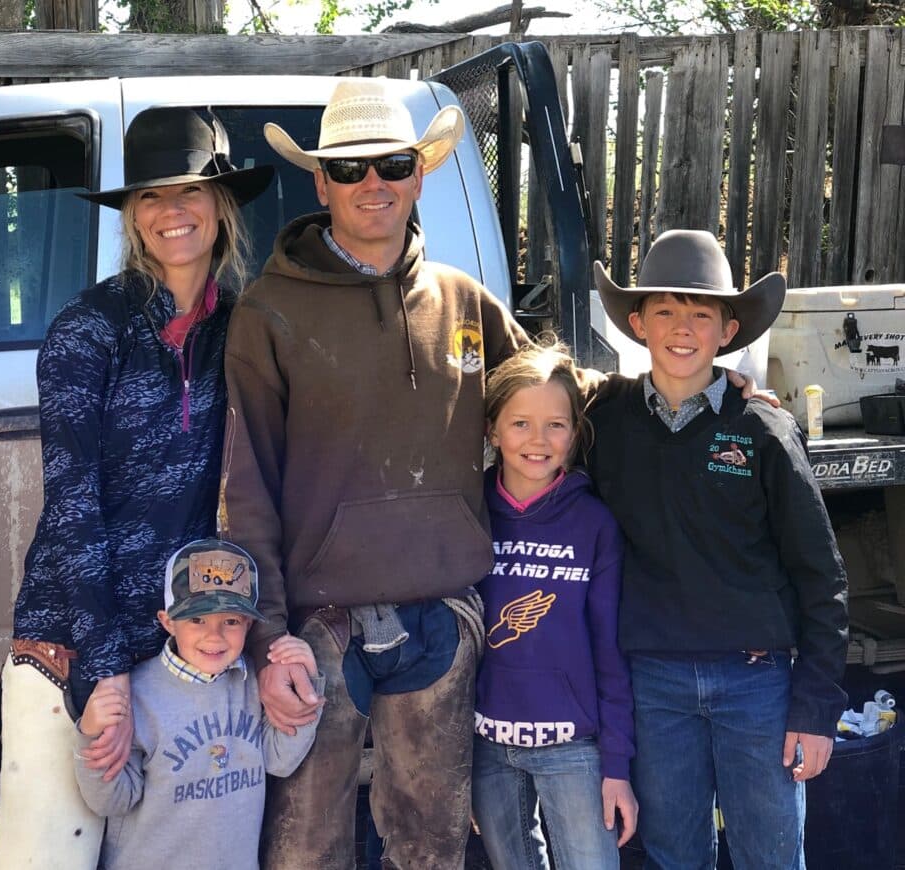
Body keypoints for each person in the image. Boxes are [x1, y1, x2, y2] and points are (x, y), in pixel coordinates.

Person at [219, 79, 531, 869]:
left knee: (429, 846)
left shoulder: (462, 299)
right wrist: (267, 638)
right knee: (304, 848)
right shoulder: (269, 312)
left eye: (391, 165)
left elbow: (546, 397)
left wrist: (696, 386)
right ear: (320, 183)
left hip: (441, 617)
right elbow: (246, 484)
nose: (373, 185)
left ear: (419, 173)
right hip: (318, 629)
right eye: (350, 171)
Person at [0, 106, 274, 870]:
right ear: (131, 215)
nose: (171, 211)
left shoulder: (238, 329)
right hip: (71, 637)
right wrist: (105, 668)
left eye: (189, 190)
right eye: (149, 195)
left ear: (222, 204)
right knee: (49, 856)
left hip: (176, 646)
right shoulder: (89, 330)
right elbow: (72, 502)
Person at [587, 229, 849, 870]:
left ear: (728, 330)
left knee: (770, 855)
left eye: (701, 314)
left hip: (755, 683)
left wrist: (815, 708)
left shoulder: (761, 428)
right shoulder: (604, 419)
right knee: (676, 854)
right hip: (654, 682)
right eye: (666, 311)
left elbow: (822, 577)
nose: (683, 328)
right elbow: (529, 393)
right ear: (637, 322)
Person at [471, 341, 638, 870]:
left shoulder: (594, 524)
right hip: (487, 749)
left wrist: (617, 766)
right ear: (492, 429)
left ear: (575, 433)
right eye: (520, 423)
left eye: (556, 425)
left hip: (574, 747)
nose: (538, 440)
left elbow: (611, 652)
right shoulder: (468, 512)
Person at [73, 538, 324, 870]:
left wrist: (307, 681)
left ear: (249, 624)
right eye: (197, 620)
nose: (214, 635)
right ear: (168, 621)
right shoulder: (138, 696)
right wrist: (90, 733)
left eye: (231, 621)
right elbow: (111, 801)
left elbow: (280, 759)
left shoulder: (250, 683)